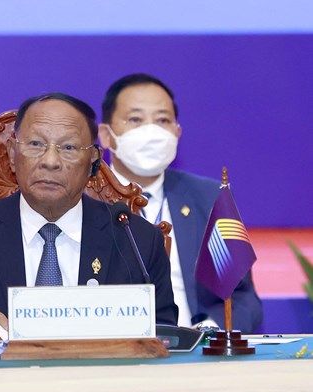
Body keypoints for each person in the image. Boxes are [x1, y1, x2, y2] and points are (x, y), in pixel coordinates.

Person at [0, 92, 178, 341]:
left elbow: (166, 336)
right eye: (36, 144)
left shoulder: (137, 240)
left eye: (69, 148)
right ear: (11, 153)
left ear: (93, 161)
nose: (50, 161)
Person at [98, 73, 262, 332]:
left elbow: (242, 297)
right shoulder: (81, 198)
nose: (151, 132)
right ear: (106, 135)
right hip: (113, 345)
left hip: (195, 348)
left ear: (177, 132)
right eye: (135, 120)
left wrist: (211, 331)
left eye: (162, 120)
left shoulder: (210, 198)